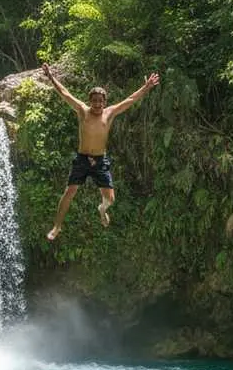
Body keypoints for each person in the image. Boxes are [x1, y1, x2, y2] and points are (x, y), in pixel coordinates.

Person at [41, 64, 160, 241]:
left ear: (104, 102)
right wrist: (51, 78)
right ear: (90, 101)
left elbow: (130, 100)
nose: (97, 104)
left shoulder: (109, 113)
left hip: (100, 160)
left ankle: (102, 209)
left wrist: (146, 87)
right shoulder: (82, 111)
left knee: (110, 199)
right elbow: (65, 93)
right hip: (82, 158)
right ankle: (57, 226)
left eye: (100, 101)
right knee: (70, 191)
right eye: (94, 101)